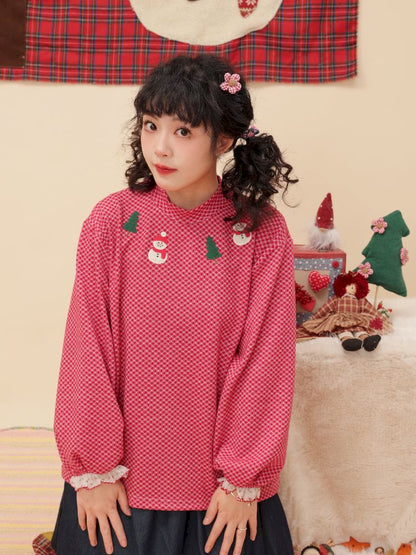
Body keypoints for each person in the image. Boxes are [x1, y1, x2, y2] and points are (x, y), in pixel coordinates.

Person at [51, 54, 297, 555]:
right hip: (117, 489)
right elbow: (86, 348)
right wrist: (93, 469)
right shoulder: (111, 222)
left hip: (220, 498)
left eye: (183, 131)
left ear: (223, 141)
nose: (160, 147)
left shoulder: (261, 232)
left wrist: (241, 480)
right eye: (150, 125)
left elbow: (266, 362)